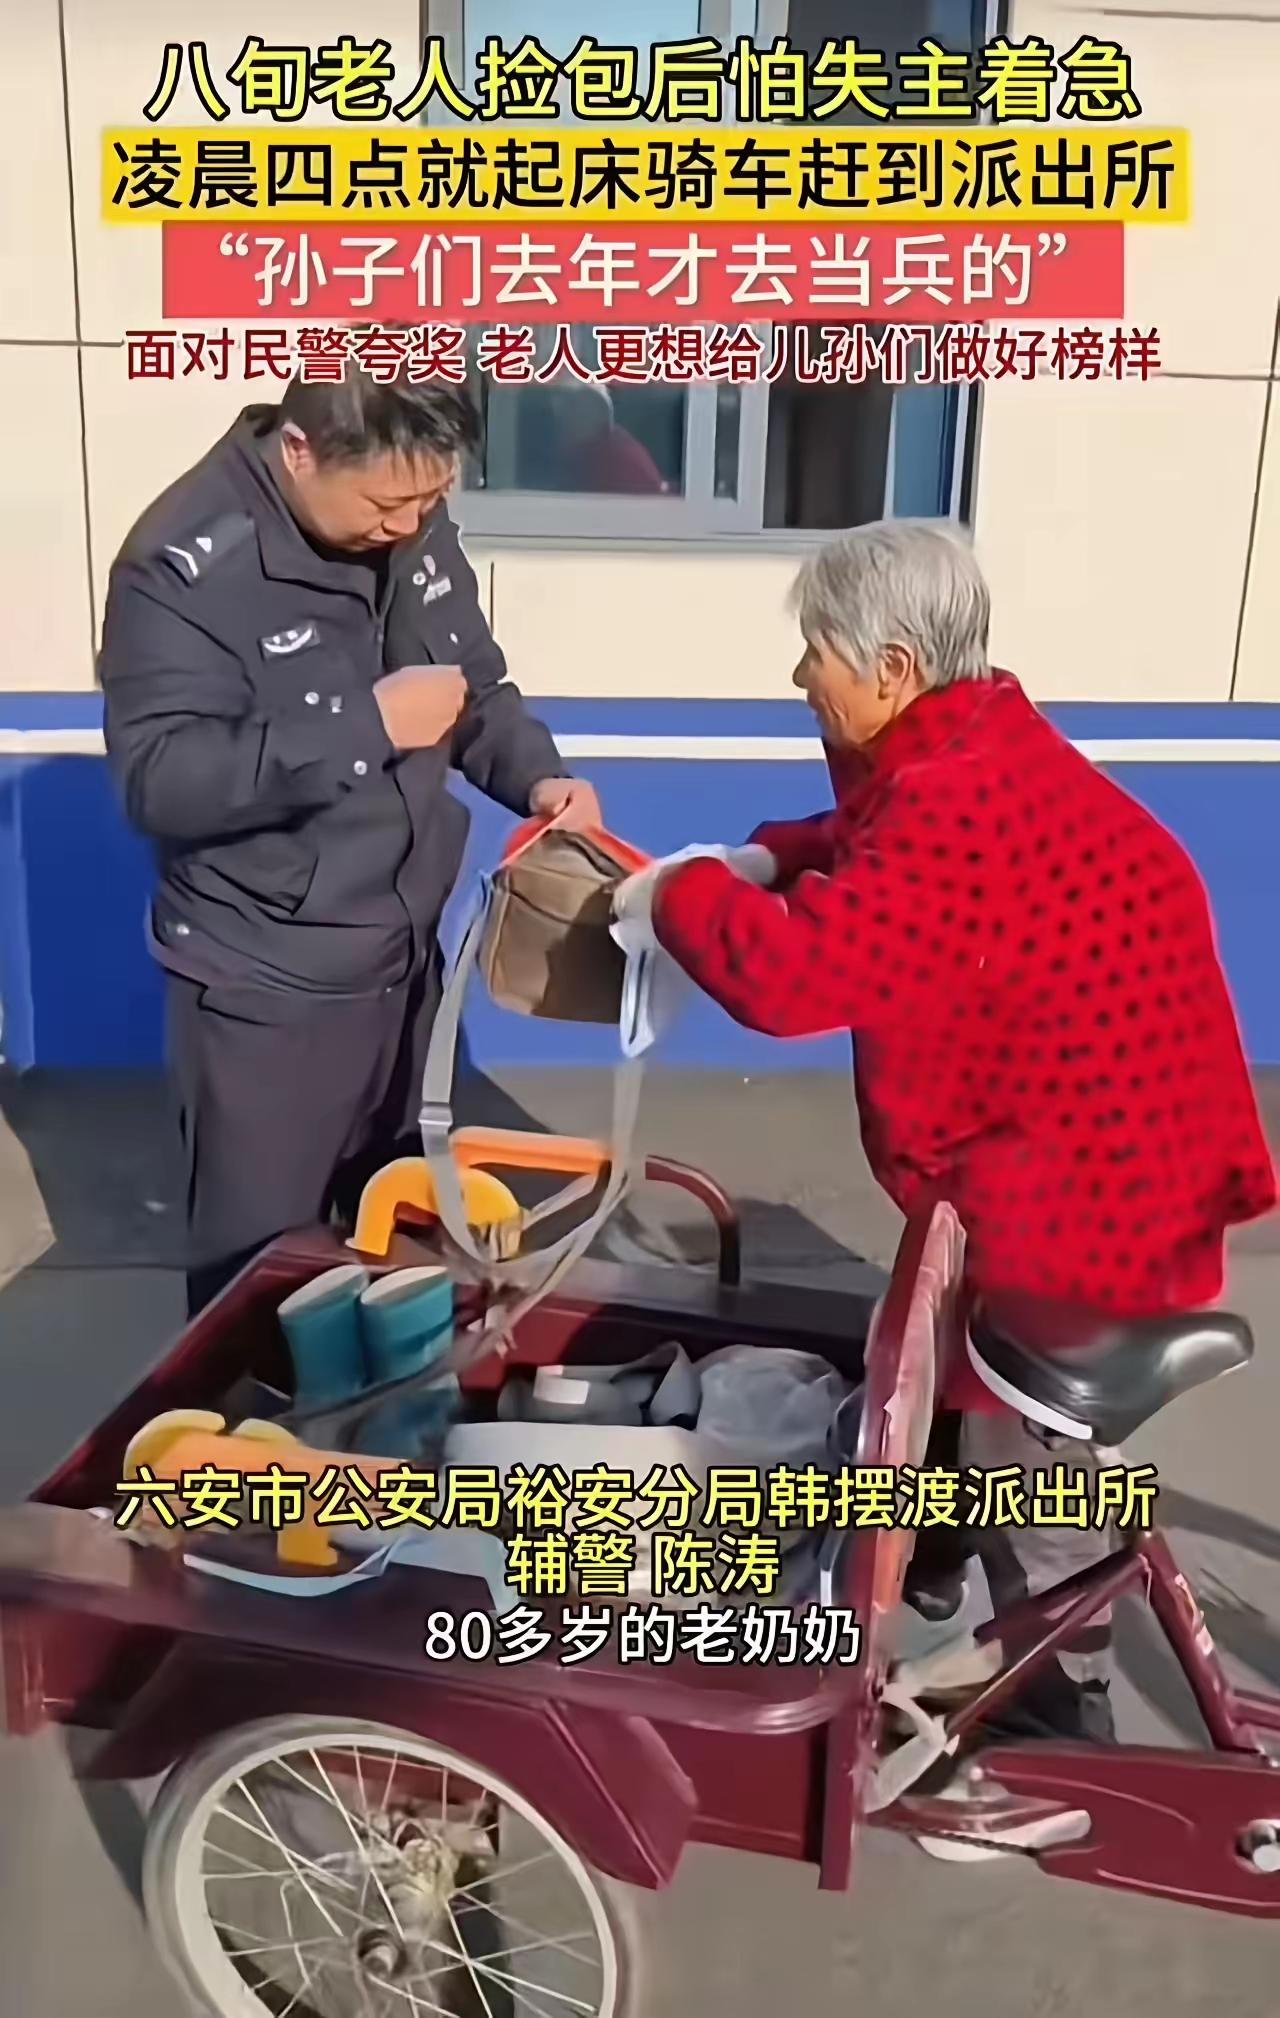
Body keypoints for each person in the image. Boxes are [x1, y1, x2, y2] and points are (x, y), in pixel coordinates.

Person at [616, 518, 1276, 1748]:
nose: (798, 674)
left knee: (1033, 1458)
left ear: (894, 667)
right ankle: (927, 1560)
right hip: (1097, 1146)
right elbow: (865, 842)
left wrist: (681, 893)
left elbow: (792, 979)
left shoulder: (959, 802)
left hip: (1091, 1198)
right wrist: (761, 854)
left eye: (816, 651)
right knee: (947, 1386)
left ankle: (1059, 1726)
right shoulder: (972, 741)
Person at [101, 369, 601, 1316]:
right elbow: (158, 779)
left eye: (432, 499)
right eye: (385, 504)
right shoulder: (183, 567)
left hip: (403, 964)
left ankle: (381, 1411)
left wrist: (539, 777)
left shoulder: (408, 516)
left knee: (401, 1254)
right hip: (266, 987)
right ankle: (245, 1417)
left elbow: (473, 687)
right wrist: (362, 727)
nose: (409, 526)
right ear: (300, 451)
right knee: (263, 1285)